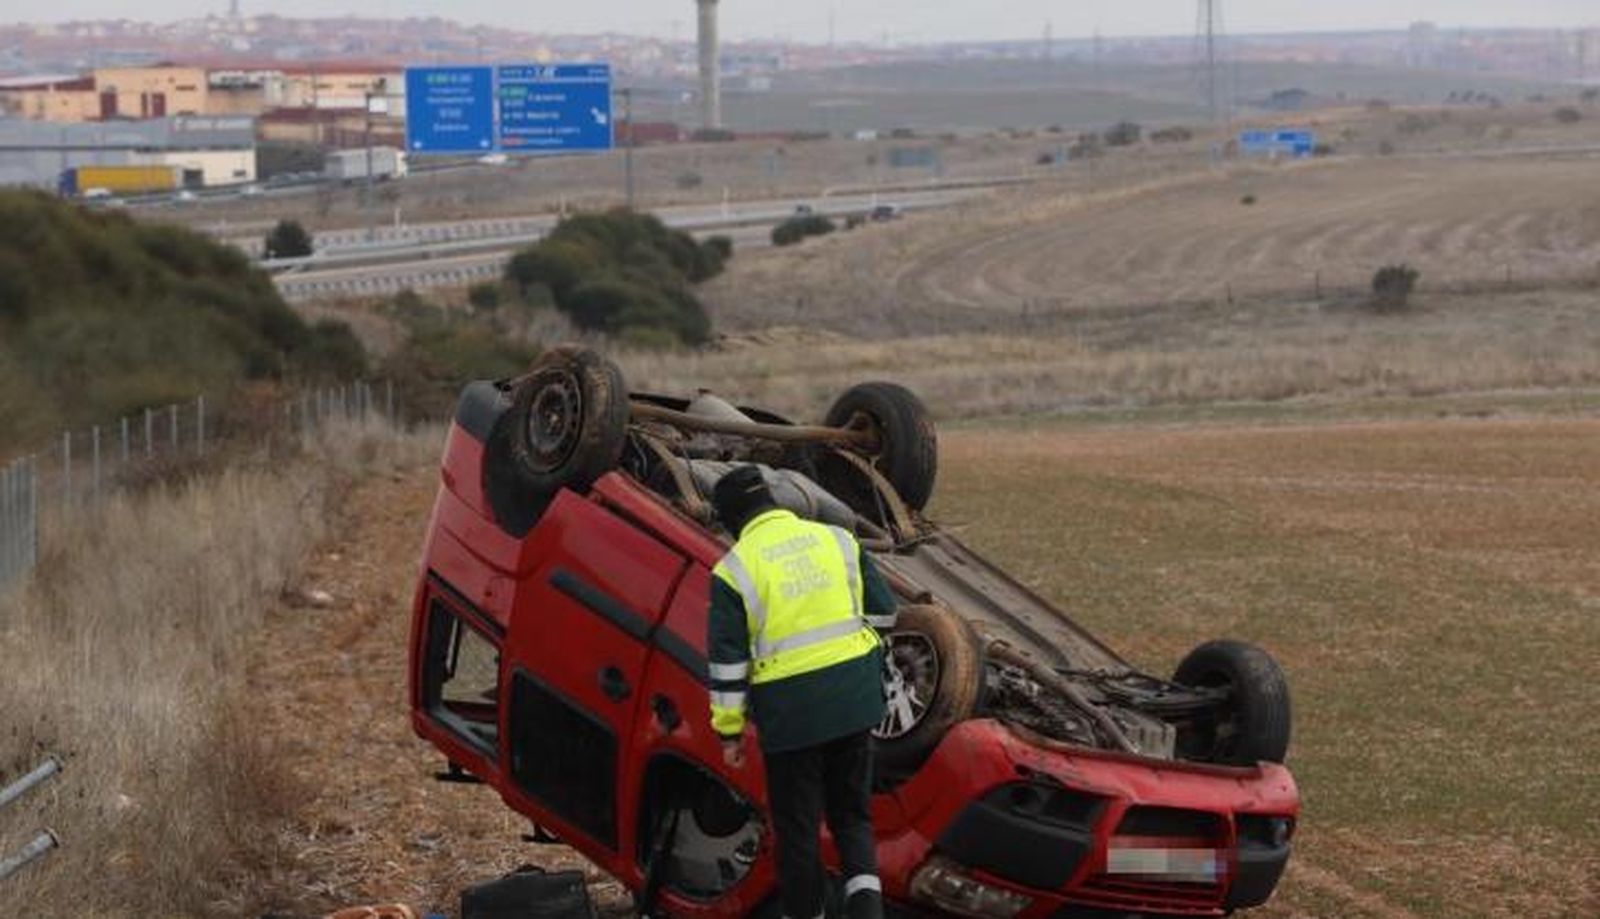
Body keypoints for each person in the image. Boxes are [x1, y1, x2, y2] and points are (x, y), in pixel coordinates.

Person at [706, 465, 898, 919]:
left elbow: (728, 663)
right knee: (852, 818)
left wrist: (729, 733)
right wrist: (860, 656)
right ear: (772, 501)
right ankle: (868, 912)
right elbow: (885, 614)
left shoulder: (733, 570)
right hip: (855, 703)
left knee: (798, 831)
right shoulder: (837, 540)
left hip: (791, 719)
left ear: (731, 520)